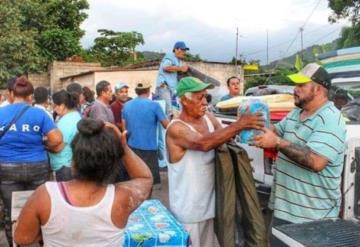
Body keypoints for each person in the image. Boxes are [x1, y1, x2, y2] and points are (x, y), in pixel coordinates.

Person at [14, 119, 153, 247]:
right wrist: (123, 147)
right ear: (112, 164)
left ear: (74, 160)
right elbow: (145, 179)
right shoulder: (121, 198)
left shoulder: (45, 195)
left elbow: (21, 238)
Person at [252, 63, 346, 243]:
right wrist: (254, 125)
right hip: (284, 211)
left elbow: (316, 161)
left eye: (301, 85)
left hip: (313, 219)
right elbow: (276, 131)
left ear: (318, 89)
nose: (295, 89)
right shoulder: (296, 113)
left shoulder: (331, 119)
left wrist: (277, 142)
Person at [166, 76, 264, 247]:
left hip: (214, 206)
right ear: (184, 101)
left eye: (206, 97)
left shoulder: (209, 118)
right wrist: (239, 124)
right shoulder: (176, 128)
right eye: (199, 97)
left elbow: (224, 137)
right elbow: (203, 143)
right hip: (190, 213)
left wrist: (239, 159)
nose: (205, 102)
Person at [0, 76, 63, 246]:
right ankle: (38, 241)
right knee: (38, 207)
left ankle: (15, 242)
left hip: (6, 168)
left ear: (11, 94)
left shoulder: (0, 113)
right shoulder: (39, 114)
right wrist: (44, 145)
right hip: (37, 167)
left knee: (11, 210)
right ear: (30, 96)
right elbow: (57, 140)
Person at [122, 82, 169, 187]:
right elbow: (167, 125)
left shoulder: (126, 105)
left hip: (132, 147)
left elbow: (124, 129)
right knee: (150, 183)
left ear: (136, 92)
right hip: (149, 149)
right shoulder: (154, 106)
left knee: (134, 179)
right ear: (148, 91)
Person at [49, 90, 82, 181]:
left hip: (64, 165)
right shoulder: (76, 116)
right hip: (71, 162)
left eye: (54, 106)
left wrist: (45, 145)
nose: (54, 109)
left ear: (62, 106)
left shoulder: (66, 122)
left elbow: (58, 148)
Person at [156, 41, 190, 117]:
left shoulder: (180, 61)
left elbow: (179, 72)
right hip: (163, 86)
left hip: (171, 88)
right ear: (176, 49)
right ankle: (169, 128)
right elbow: (165, 67)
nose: (184, 52)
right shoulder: (170, 56)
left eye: (185, 50)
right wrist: (181, 68)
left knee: (178, 108)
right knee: (168, 110)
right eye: (183, 50)